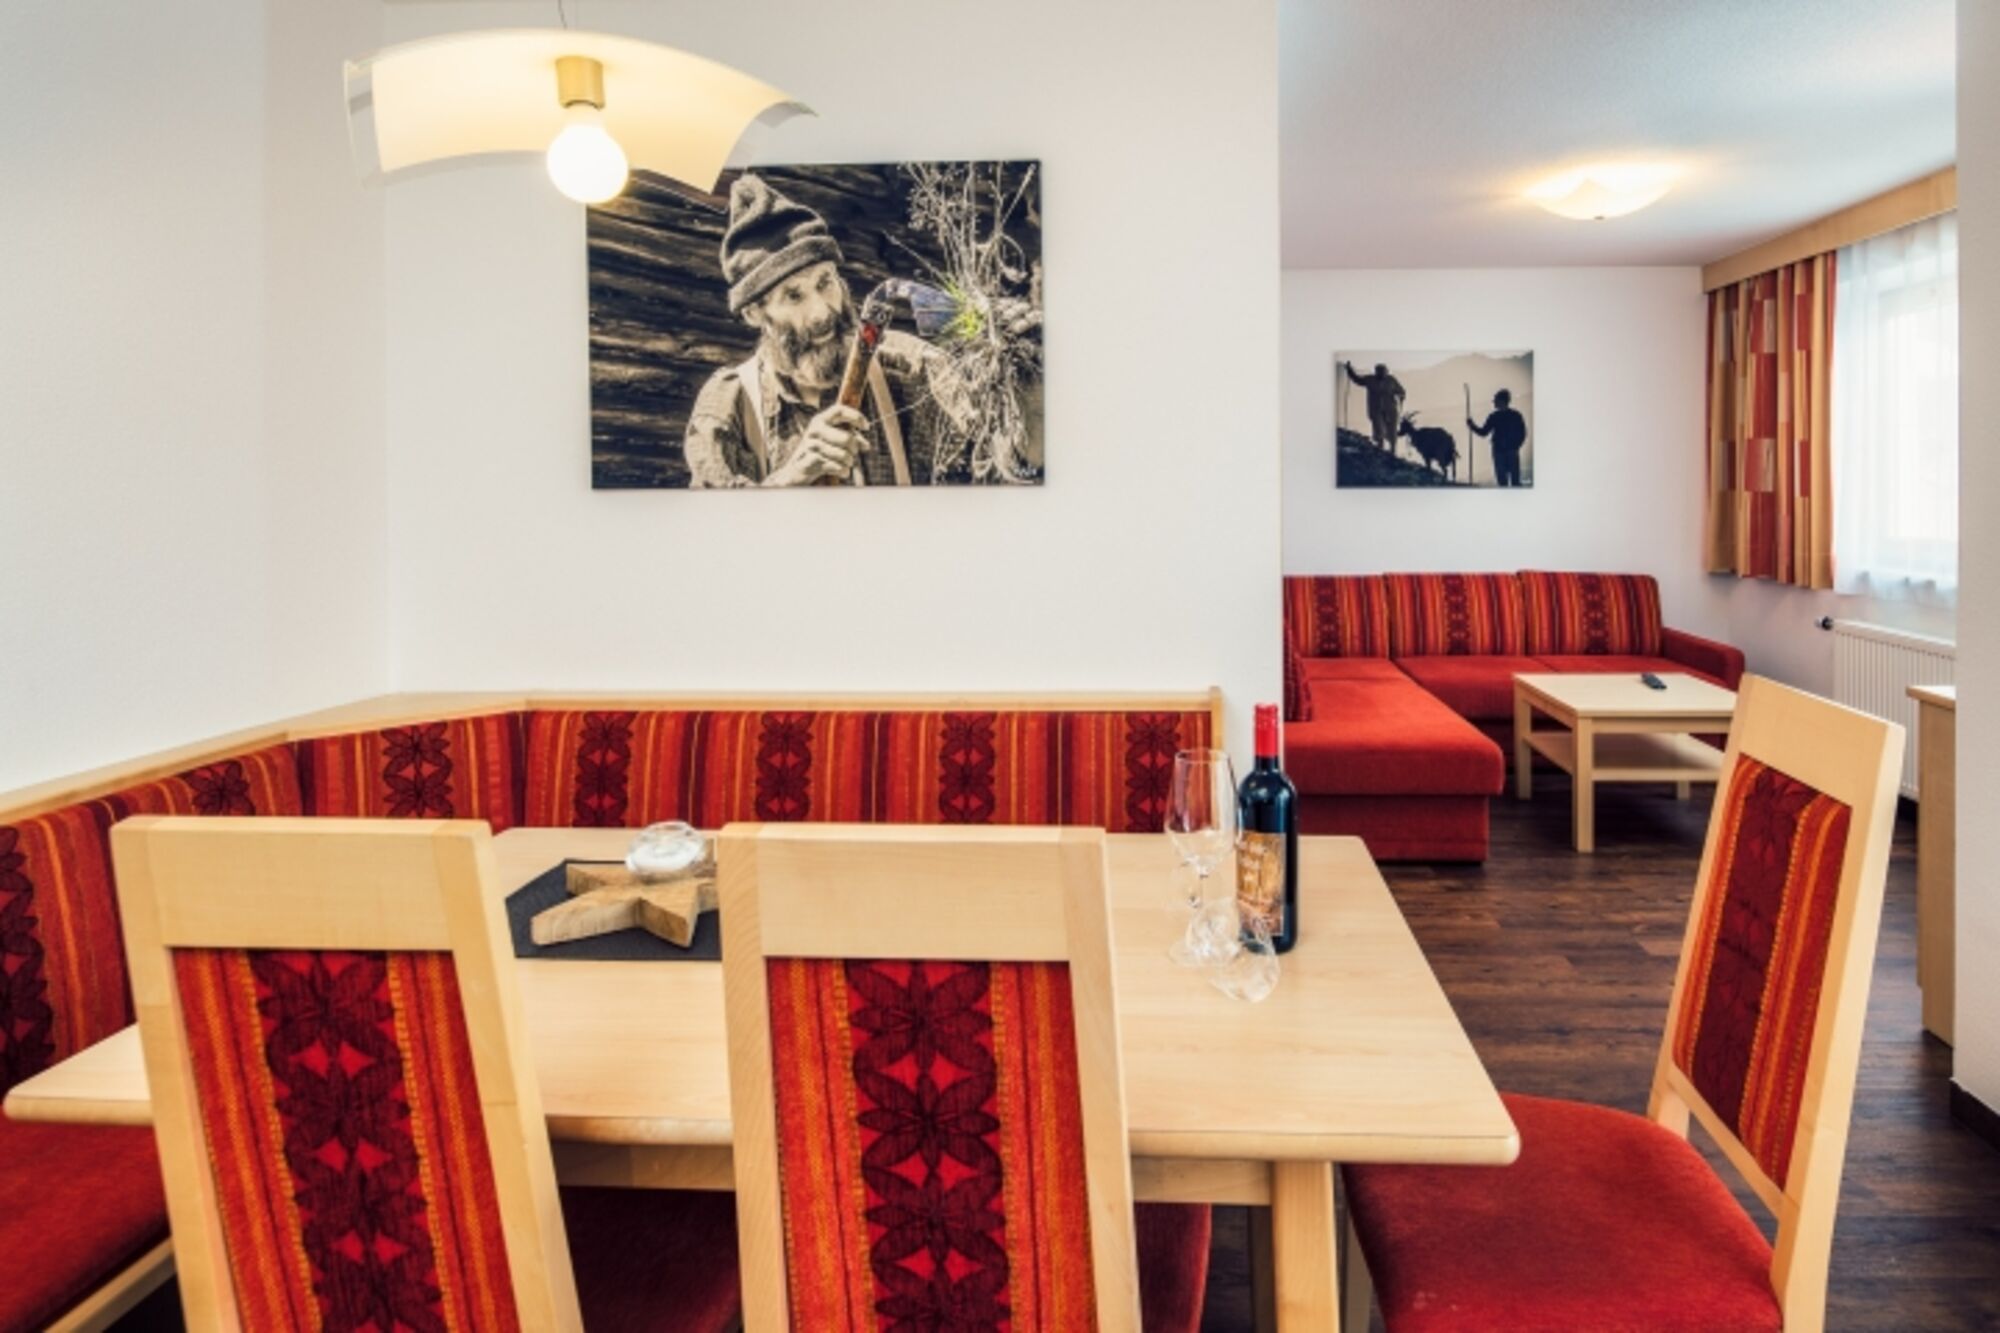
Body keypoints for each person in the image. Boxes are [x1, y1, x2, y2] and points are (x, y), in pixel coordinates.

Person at [683, 175, 995, 487]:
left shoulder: (911, 369)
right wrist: (788, 481)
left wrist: (1011, 358)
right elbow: (716, 519)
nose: (821, 313)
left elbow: (1002, 454)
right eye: (794, 296)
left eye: (824, 283)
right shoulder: (729, 406)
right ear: (754, 313)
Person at [1467, 387, 1529, 487]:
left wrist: (1472, 426)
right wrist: (1516, 446)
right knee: (1514, 482)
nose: (1494, 402)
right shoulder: (1516, 415)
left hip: (1500, 452)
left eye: (1495, 400)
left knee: (1504, 482)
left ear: (1501, 401)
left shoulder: (1495, 416)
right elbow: (1522, 433)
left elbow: (1483, 432)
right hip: (1510, 452)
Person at [1343, 361, 1405, 451]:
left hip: (1390, 411)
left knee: (1392, 432)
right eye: (1379, 371)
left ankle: (1392, 451)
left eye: (1383, 371)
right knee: (1379, 430)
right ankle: (1380, 449)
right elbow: (1357, 379)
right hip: (1376, 410)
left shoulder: (1391, 380)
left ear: (1386, 372)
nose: (1381, 373)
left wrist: (1400, 397)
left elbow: (1401, 391)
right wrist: (1349, 370)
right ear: (1376, 372)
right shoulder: (1370, 380)